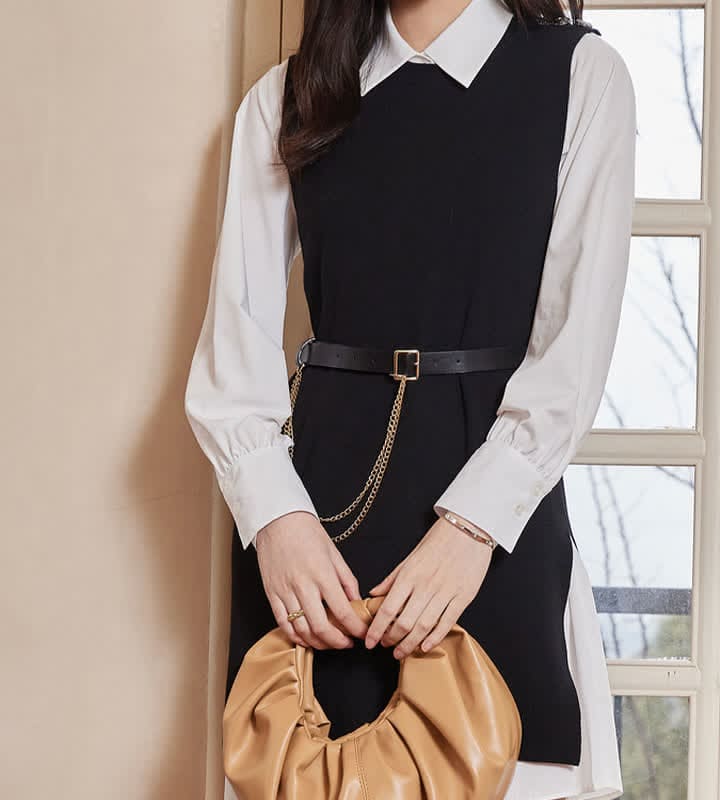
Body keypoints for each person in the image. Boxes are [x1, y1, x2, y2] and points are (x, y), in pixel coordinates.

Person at [184, 0, 636, 796]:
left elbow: (574, 347)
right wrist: (277, 523)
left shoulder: (580, 74)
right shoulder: (288, 95)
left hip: (496, 523)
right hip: (316, 529)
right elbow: (234, 342)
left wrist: (472, 529)